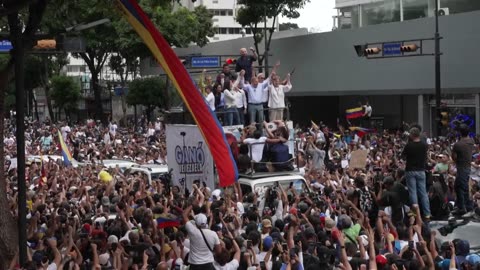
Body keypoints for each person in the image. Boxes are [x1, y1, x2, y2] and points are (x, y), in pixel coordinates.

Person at [402, 127, 431, 219]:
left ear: (411, 135)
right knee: (423, 192)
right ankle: (427, 214)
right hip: (421, 170)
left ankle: (415, 214)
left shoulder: (409, 145)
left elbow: (403, 156)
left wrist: (407, 142)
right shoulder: (424, 145)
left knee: (413, 192)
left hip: (410, 170)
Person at [183, 205, 221, 270]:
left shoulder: (192, 231)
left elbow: (184, 215)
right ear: (206, 222)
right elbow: (219, 251)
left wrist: (192, 205)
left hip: (195, 265)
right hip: (208, 264)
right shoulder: (213, 234)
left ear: (196, 224)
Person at [452, 124, 475, 217]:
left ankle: (467, 207)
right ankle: (460, 206)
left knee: (463, 187)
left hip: (461, 167)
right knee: (458, 186)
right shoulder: (471, 141)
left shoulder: (458, 144)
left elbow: (453, 157)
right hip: (467, 166)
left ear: (459, 133)